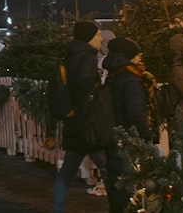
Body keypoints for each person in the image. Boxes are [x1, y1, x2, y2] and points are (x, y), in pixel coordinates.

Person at [51, 20, 108, 211]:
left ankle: (56, 208)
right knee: (110, 168)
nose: (101, 38)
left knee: (67, 171)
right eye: (98, 35)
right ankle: (121, 206)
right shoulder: (88, 57)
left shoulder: (71, 55)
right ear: (89, 37)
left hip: (73, 121)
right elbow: (84, 84)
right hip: (88, 123)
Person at [103, 36, 155, 213]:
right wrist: (147, 134)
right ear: (130, 57)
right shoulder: (131, 80)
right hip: (127, 138)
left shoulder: (113, 76)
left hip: (113, 136)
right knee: (127, 185)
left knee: (116, 181)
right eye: (137, 54)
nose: (140, 57)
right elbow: (134, 113)